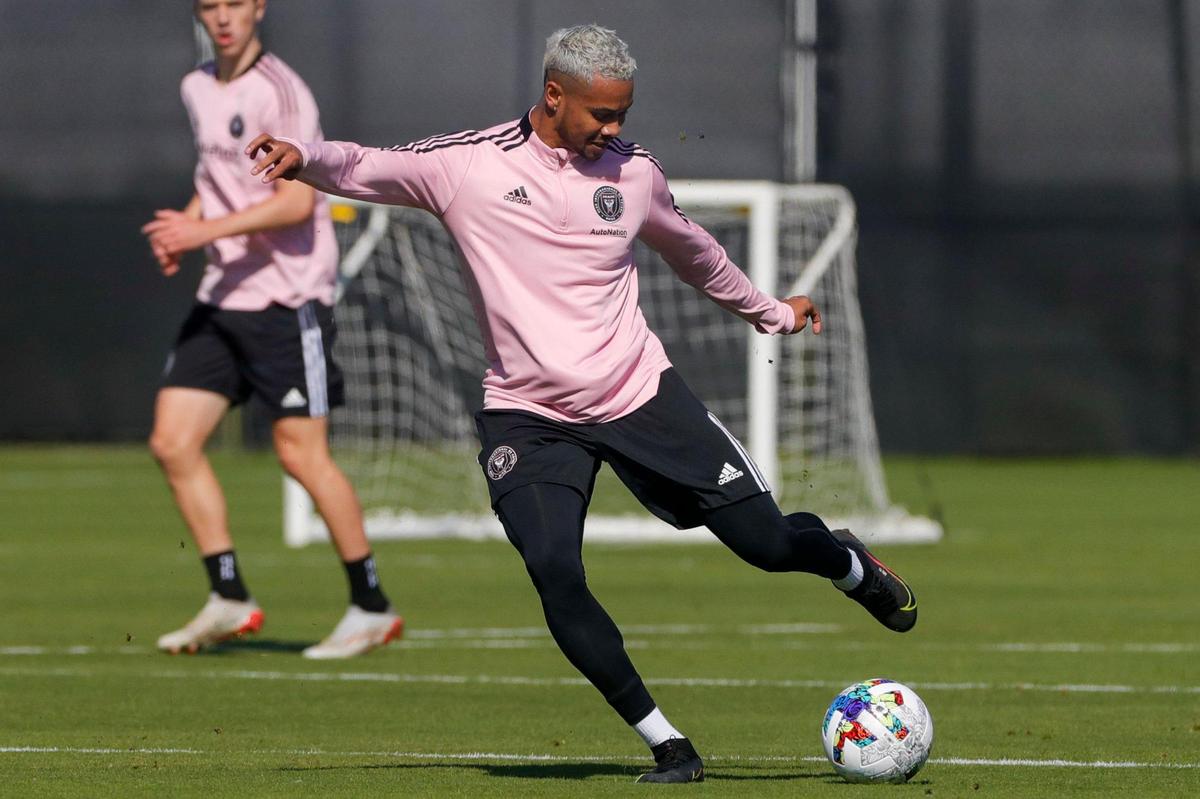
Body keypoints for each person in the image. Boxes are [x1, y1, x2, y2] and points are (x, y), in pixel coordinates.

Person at [246, 23, 917, 782]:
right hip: (527, 418)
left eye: (624, 113)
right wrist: (307, 159)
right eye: (601, 114)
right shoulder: (469, 166)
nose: (614, 129)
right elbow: (370, 165)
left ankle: (849, 563)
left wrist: (771, 310)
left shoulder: (634, 175)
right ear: (554, 95)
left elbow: (693, 249)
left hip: (639, 395)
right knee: (555, 569)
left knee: (767, 545)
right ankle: (668, 742)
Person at [141, 0, 403, 660]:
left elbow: (295, 199)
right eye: (210, 6)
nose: (222, 18)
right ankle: (228, 594)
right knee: (173, 441)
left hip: (286, 299)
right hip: (223, 296)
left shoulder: (282, 93)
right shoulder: (196, 85)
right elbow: (218, 180)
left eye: (235, 4)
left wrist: (203, 230)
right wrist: (186, 226)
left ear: (258, 8)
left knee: (300, 454)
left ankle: (371, 605)